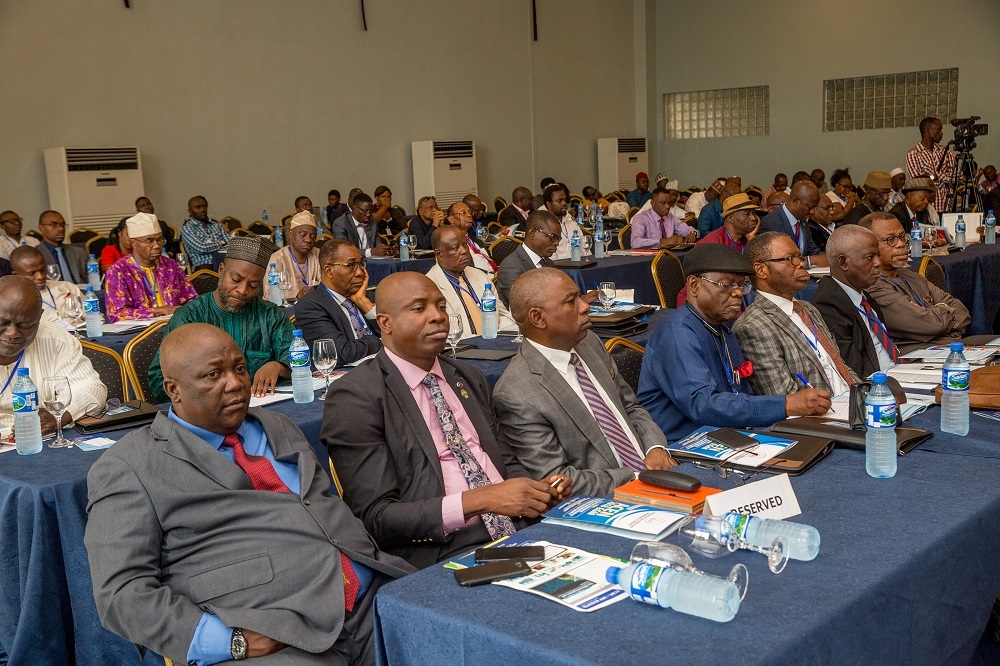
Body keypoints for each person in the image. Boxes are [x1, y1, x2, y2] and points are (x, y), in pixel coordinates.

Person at [85, 323, 413, 666]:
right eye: (214, 374)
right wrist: (231, 642)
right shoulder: (129, 466)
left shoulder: (278, 425)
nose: (235, 383)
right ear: (174, 390)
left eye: (239, 369)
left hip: (374, 598)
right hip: (276, 636)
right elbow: (121, 594)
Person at [322, 272, 568, 569]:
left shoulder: (467, 377)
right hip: (444, 550)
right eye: (419, 308)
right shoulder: (356, 396)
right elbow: (376, 519)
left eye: (441, 305)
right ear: (385, 323)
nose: (437, 316)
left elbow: (504, 460)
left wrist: (534, 491)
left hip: (521, 529)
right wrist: (480, 500)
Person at [493, 269, 674, 496]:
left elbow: (630, 406)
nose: (585, 306)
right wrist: (636, 477)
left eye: (579, 296)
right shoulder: (516, 393)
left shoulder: (589, 342)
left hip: (659, 473)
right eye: (571, 301)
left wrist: (655, 447)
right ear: (538, 318)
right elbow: (556, 479)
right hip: (608, 499)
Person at [638, 244, 827, 442]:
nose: (737, 293)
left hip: (728, 433)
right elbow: (702, 405)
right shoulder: (678, 333)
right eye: (727, 285)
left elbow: (740, 391)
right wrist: (785, 405)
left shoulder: (723, 328)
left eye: (741, 285)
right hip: (684, 443)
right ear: (694, 285)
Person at [147, 235, 293, 402]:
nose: (243, 290)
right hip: (206, 411)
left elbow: (298, 358)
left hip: (264, 405)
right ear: (221, 271)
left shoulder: (270, 315)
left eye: (253, 285)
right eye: (236, 280)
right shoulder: (189, 318)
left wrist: (278, 366)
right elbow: (159, 379)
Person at [734, 232, 859, 398]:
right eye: (790, 259)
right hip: (824, 416)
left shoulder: (807, 308)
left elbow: (839, 365)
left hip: (853, 402)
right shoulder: (753, 326)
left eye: (800, 258)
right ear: (761, 270)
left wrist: (865, 394)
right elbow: (784, 399)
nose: (801, 264)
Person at [0, 276, 106, 434]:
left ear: (39, 316)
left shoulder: (55, 339)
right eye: (2, 322)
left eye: (26, 325)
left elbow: (92, 389)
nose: (13, 333)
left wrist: (60, 415)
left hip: (39, 440)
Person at [858, 213, 973, 353]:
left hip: (951, 345)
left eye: (902, 237)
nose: (900, 244)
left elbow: (962, 311)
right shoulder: (872, 286)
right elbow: (931, 325)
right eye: (890, 240)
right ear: (869, 246)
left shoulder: (911, 276)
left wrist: (933, 313)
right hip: (919, 357)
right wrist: (940, 315)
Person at [811, 225, 899, 377]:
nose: (878, 263)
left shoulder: (863, 295)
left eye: (877, 255)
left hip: (898, 372)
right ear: (843, 262)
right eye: (870, 257)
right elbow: (853, 369)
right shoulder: (829, 304)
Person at [293, 239, 381, 367]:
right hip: (348, 378)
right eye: (351, 265)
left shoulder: (366, 297)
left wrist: (368, 308)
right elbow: (342, 353)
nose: (360, 272)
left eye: (361, 264)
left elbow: (398, 335)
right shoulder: (311, 306)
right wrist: (382, 341)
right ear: (329, 271)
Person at [104, 213, 197, 322]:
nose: (157, 246)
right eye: (149, 241)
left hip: (176, 326)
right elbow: (117, 314)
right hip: (140, 334)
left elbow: (193, 301)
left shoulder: (171, 266)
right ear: (133, 243)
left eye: (159, 240)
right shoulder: (118, 271)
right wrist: (158, 311)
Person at [426, 226, 514, 339]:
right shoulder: (430, 285)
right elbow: (437, 331)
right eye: (455, 248)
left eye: (464, 244)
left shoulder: (481, 276)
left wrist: (498, 338)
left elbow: (502, 315)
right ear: (439, 254)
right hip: (459, 349)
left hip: (495, 343)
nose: (464, 251)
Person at [758, 180, 829, 267]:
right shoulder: (770, 223)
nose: (813, 211)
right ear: (795, 201)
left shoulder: (803, 221)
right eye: (810, 207)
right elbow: (775, 262)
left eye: (815, 207)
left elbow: (812, 251)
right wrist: (809, 261)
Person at [495, 210, 559, 307]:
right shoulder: (511, 266)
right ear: (532, 233)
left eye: (558, 238)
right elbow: (524, 306)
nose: (556, 243)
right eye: (552, 237)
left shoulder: (549, 263)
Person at [10, 245, 83, 329]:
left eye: (42, 270)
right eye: (32, 273)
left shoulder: (67, 286)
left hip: (83, 335)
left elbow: (93, 315)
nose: (40, 276)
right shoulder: (12, 301)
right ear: (16, 275)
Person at [906, 117, 956, 212]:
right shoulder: (913, 154)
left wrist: (936, 176)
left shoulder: (945, 151)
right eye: (939, 129)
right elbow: (919, 182)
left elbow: (959, 176)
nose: (942, 133)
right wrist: (945, 178)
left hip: (948, 206)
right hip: (927, 209)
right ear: (927, 131)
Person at [268, 210, 321, 301]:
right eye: (303, 235)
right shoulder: (277, 259)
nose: (308, 240)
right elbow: (268, 294)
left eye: (312, 236)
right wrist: (296, 294)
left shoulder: (319, 255)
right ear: (291, 234)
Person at [630, 188, 698, 249]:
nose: (668, 206)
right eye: (663, 203)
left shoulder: (670, 217)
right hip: (648, 258)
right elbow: (635, 242)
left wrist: (692, 233)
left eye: (669, 203)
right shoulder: (641, 218)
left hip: (670, 255)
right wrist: (663, 241)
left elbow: (687, 229)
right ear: (652, 203)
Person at [34, 210, 87, 283]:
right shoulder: (35, 255)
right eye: (54, 225)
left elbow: (91, 280)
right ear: (41, 228)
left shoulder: (78, 252)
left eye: (62, 225)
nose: (61, 229)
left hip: (80, 292)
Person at [331, 193, 389, 258]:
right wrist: (370, 252)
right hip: (350, 263)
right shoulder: (340, 223)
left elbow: (378, 245)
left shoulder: (372, 221)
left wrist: (385, 249)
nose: (368, 214)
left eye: (371, 211)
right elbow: (344, 250)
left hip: (373, 261)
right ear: (355, 208)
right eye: (365, 211)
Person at [445, 201, 497, 274]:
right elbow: (465, 270)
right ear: (451, 219)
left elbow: (491, 261)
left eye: (470, 212)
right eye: (463, 213)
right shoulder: (451, 244)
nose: (469, 215)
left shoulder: (476, 241)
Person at [180, 196, 228, 271]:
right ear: (190, 211)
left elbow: (230, 245)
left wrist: (213, 247)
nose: (203, 210)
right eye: (198, 207)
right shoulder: (188, 228)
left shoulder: (216, 225)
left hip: (224, 262)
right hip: (204, 265)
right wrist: (221, 243)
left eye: (204, 206)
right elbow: (201, 248)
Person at [541, 184, 587, 260]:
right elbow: (550, 260)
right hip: (560, 268)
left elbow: (585, 249)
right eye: (559, 201)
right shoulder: (544, 227)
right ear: (548, 204)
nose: (564, 203)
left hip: (579, 265)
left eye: (565, 200)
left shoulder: (572, 224)